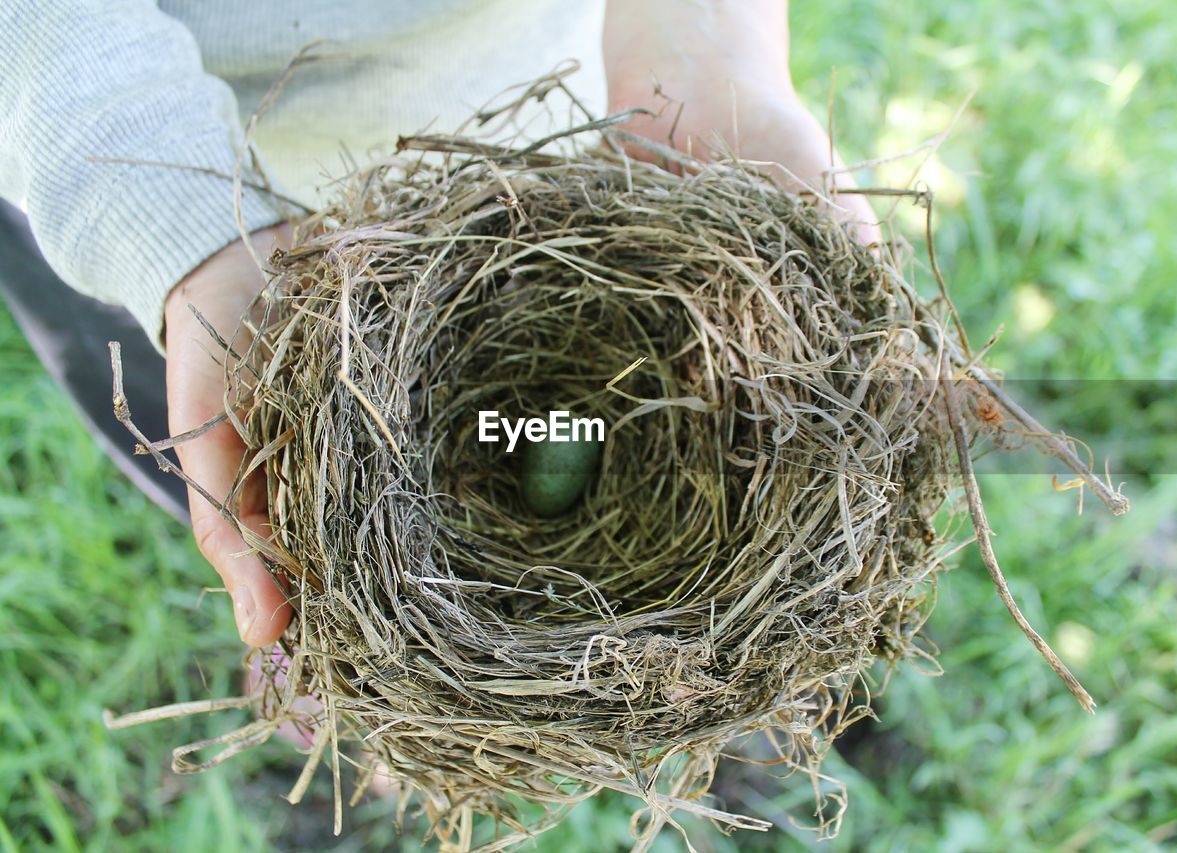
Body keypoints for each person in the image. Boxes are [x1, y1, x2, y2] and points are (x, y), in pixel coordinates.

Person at [0, 0, 879, 648]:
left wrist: (704, 38)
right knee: (246, 454)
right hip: (114, 165)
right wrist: (178, 218)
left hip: (517, 99)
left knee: (319, 483)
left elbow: (540, 423)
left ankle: (372, 651)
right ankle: (334, 634)